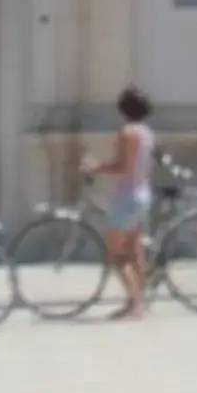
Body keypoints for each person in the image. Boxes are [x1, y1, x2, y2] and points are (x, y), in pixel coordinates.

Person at [83, 86, 157, 321]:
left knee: (115, 254)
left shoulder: (127, 133)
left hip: (126, 197)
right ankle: (137, 301)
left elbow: (121, 166)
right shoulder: (147, 133)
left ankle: (135, 304)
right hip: (142, 194)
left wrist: (95, 167)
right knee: (134, 251)